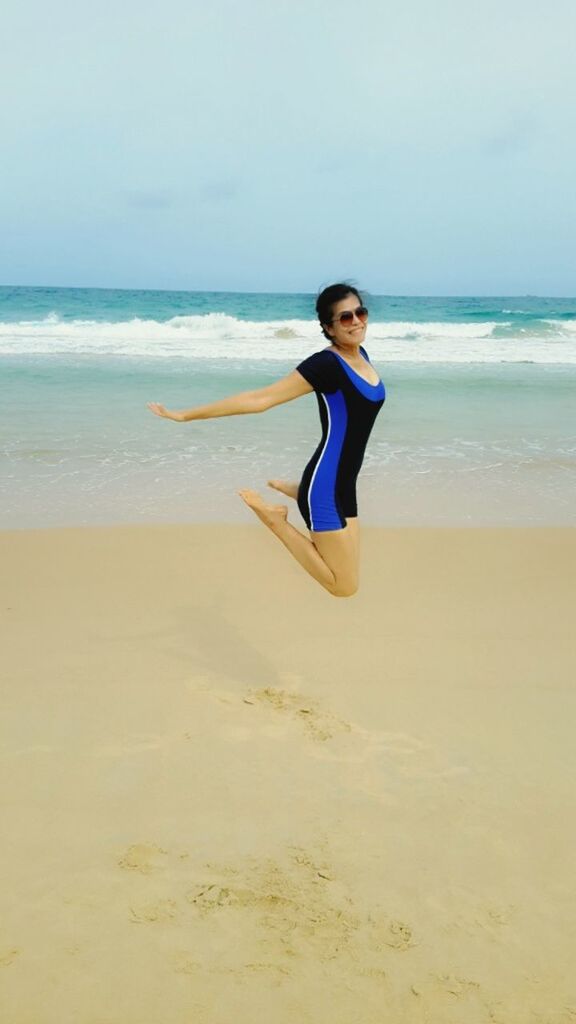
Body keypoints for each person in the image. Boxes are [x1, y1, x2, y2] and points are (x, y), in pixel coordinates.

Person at [147, 283, 385, 597]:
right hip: (325, 488)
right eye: (344, 318)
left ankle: (301, 491)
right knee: (343, 587)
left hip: (345, 485)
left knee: (352, 575)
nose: (356, 321)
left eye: (360, 312)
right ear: (329, 328)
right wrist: (184, 415)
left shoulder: (362, 355)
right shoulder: (326, 365)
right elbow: (260, 399)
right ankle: (275, 518)